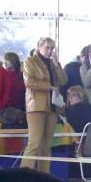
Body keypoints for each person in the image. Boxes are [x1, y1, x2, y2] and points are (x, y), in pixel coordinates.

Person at [20, 37, 68, 173]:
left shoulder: (53, 64)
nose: (50, 51)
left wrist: (57, 64)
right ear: (39, 46)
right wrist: (50, 87)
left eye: (52, 48)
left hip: (52, 107)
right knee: (34, 143)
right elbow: (29, 82)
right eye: (47, 48)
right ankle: (24, 175)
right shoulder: (30, 61)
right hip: (36, 106)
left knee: (46, 145)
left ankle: (43, 176)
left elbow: (64, 80)